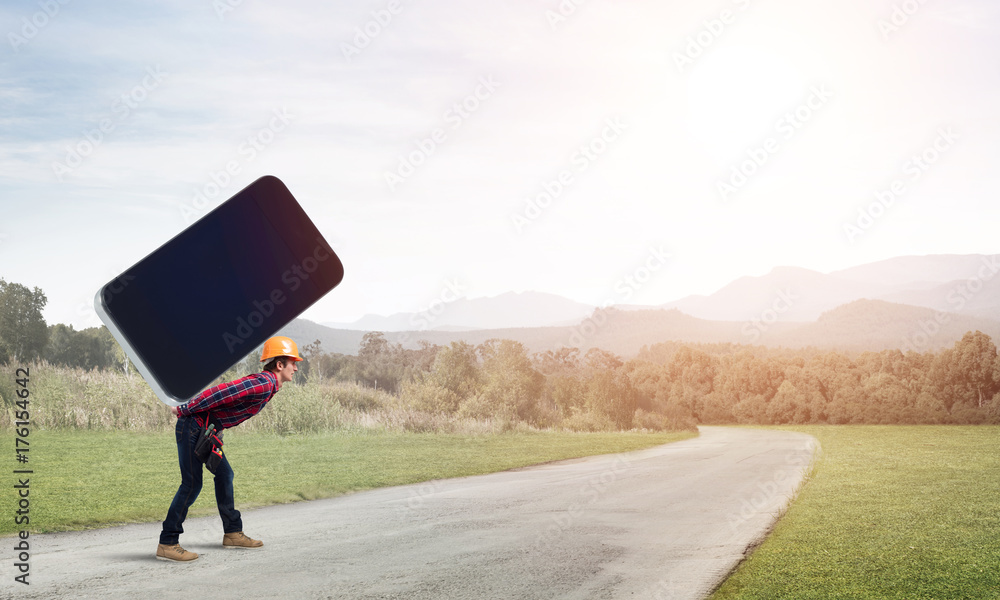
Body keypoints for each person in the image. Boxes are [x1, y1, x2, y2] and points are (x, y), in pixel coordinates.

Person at [155, 335, 302, 562]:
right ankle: (168, 542)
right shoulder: (264, 383)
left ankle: (232, 533)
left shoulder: (270, 386)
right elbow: (221, 393)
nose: (296, 368)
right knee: (191, 484)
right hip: (193, 425)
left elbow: (227, 407)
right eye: (293, 363)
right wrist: (184, 409)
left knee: (225, 474)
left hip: (205, 430)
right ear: (280, 364)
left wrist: (217, 430)